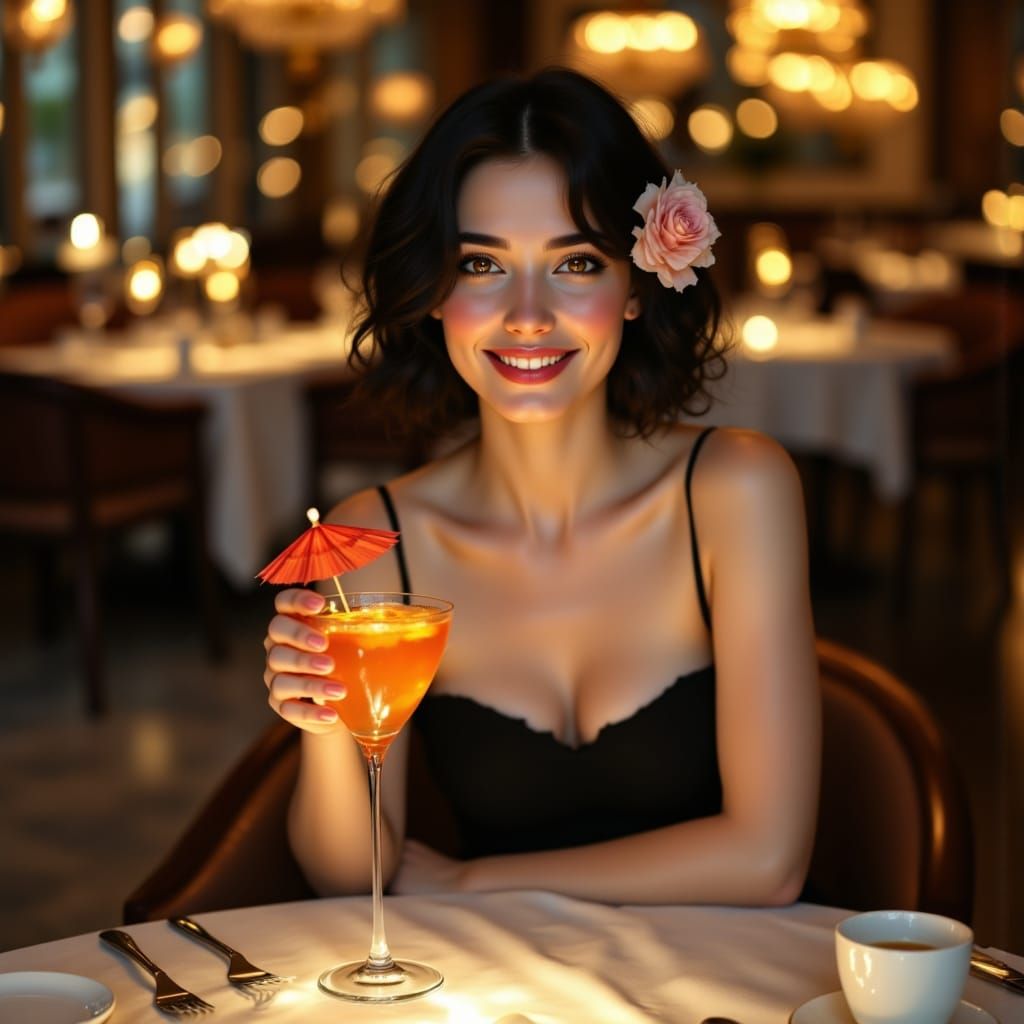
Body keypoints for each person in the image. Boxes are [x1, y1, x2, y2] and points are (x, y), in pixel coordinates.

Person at [263, 68, 820, 906]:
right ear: (434, 294)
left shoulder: (736, 491)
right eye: (482, 263)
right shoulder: (376, 541)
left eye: (576, 263)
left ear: (636, 288)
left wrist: (474, 882)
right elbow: (352, 876)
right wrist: (320, 730)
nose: (527, 314)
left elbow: (770, 861)